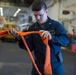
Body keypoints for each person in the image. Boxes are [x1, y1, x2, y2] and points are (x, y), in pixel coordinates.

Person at [10, 0, 69, 75]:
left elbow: (66, 41)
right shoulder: (32, 28)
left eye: (40, 15)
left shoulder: (56, 26)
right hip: (38, 65)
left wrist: (52, 38)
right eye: (35, 15)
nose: (38, 18)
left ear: (46, 12)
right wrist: (19, 38)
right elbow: (29, 47)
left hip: (54, 65)